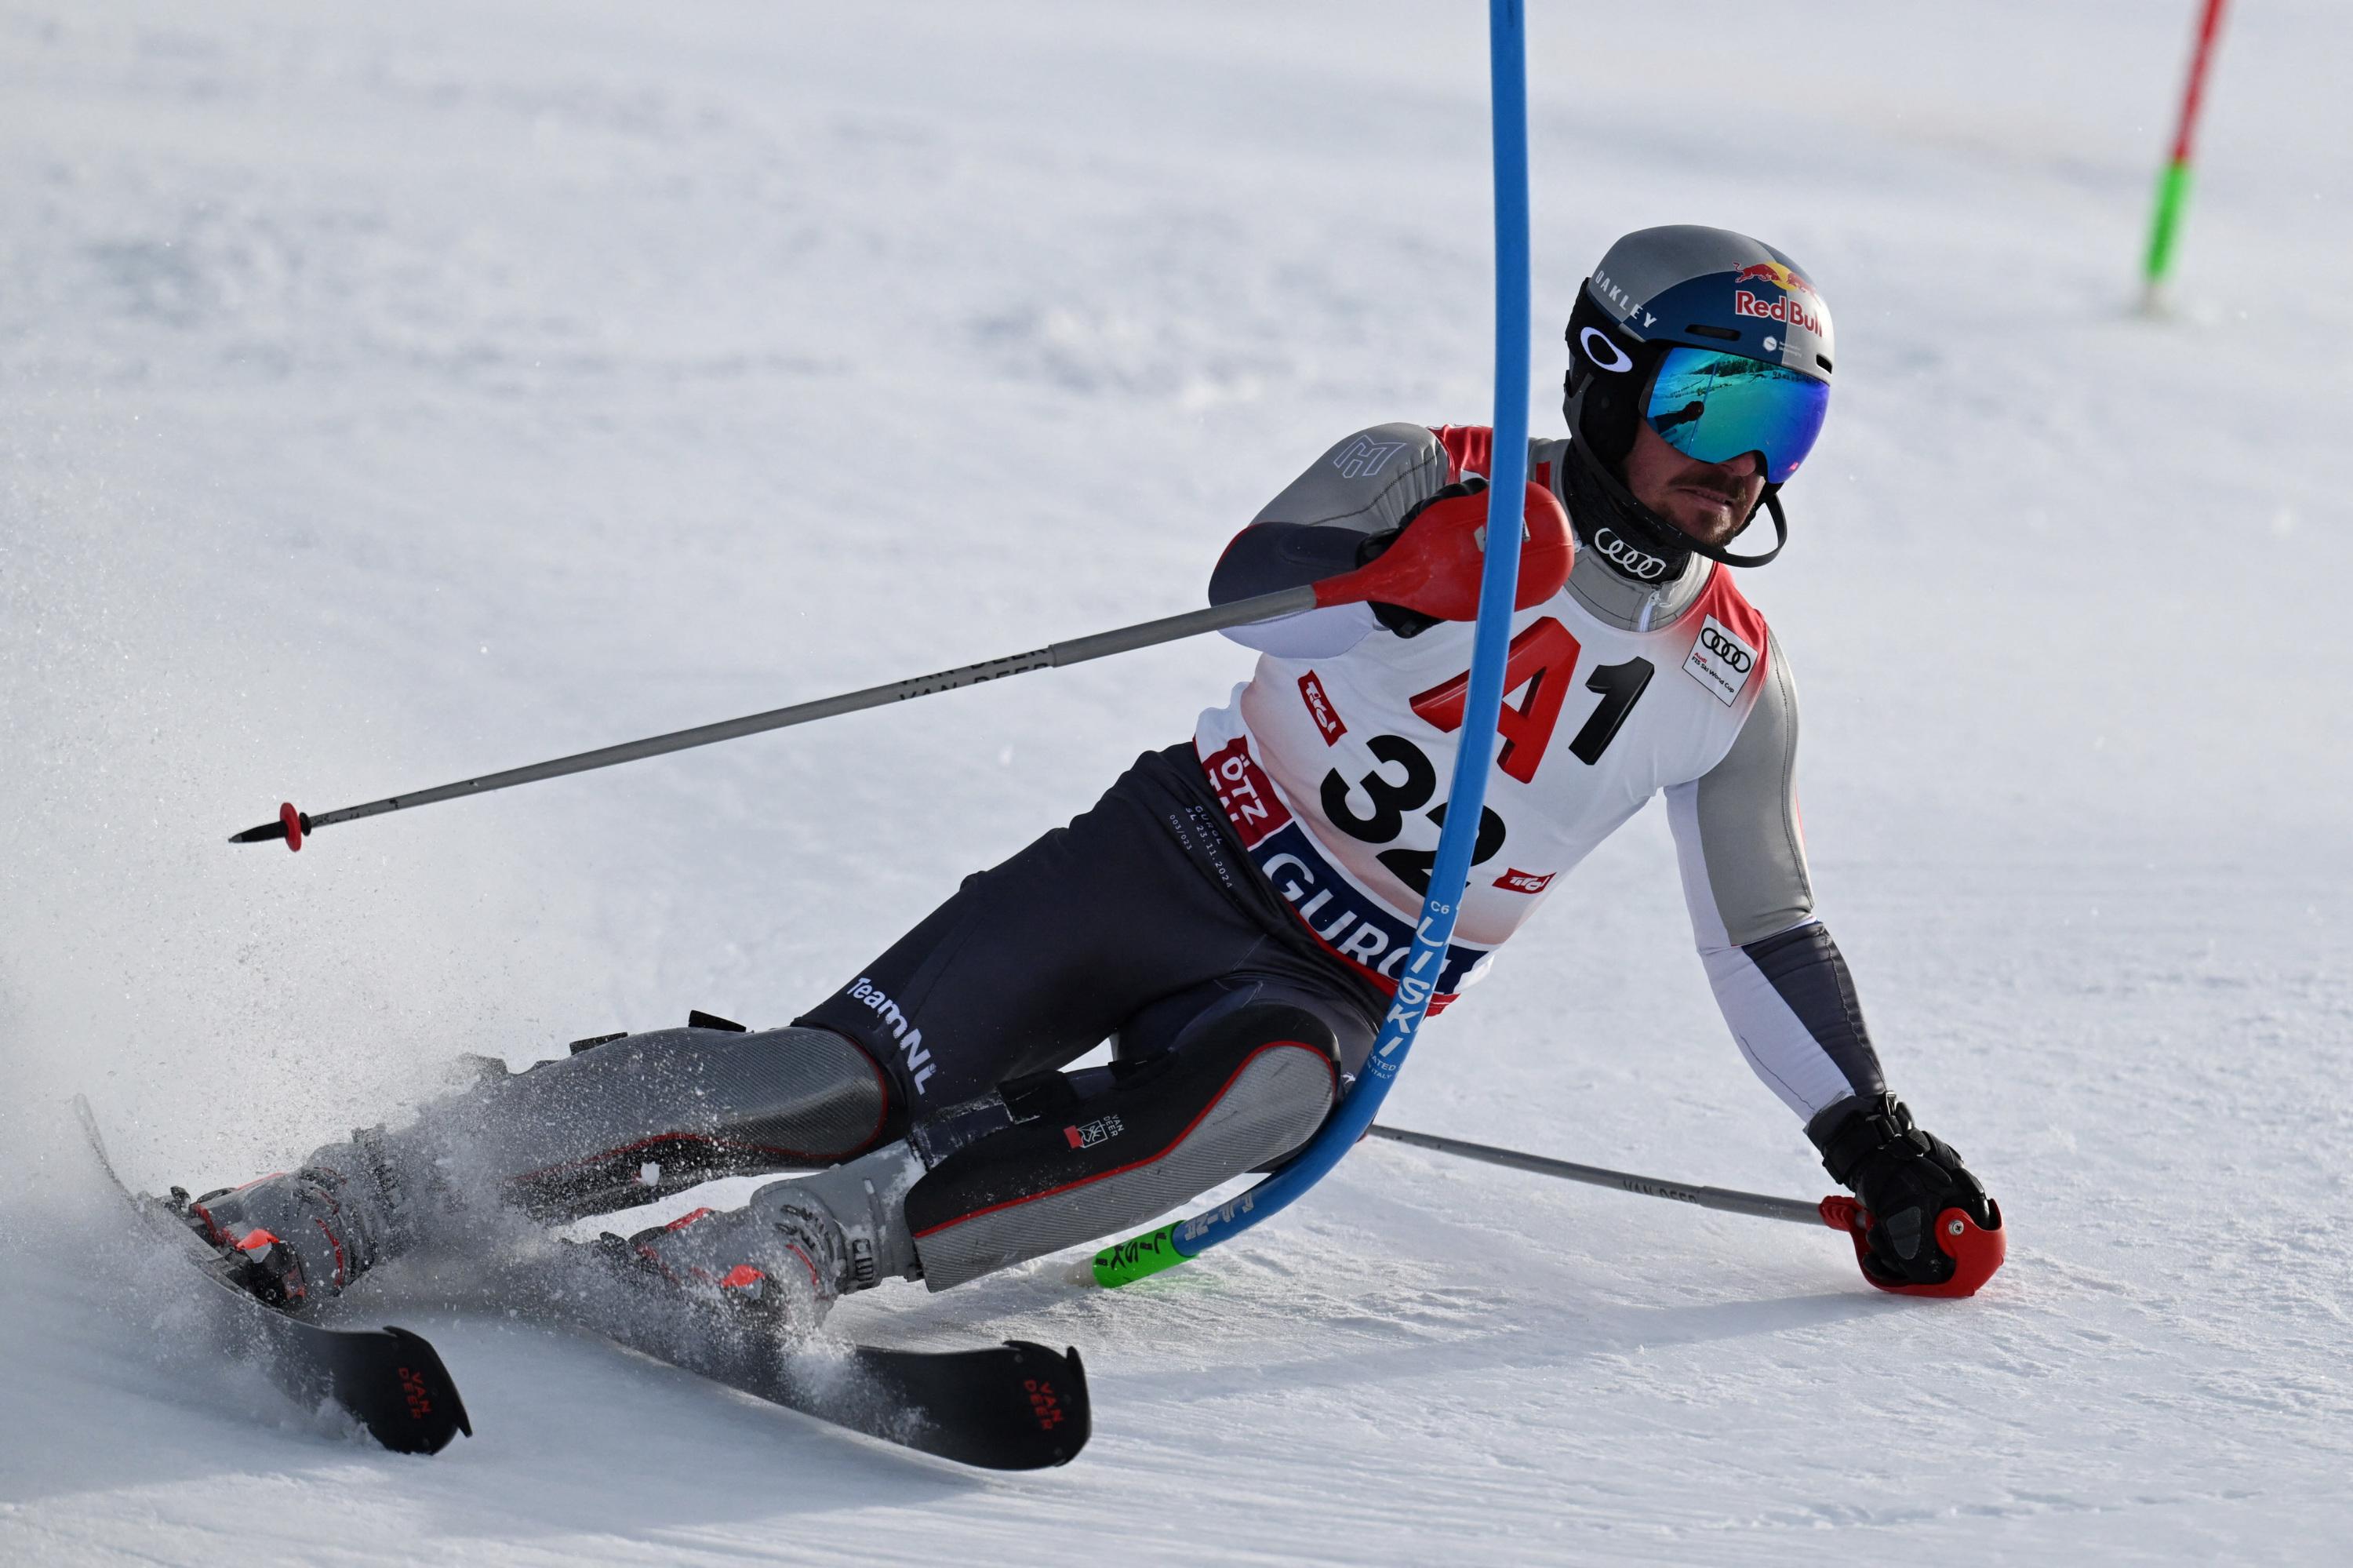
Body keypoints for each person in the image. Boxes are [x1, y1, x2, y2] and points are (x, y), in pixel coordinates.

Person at [182, 225, 2001, 1328]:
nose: (1738, 470)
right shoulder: (1435, 473)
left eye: (1784, 429)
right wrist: (1408, 570)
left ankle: (789, 1257)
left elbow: (1765, 926)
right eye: (1713, 411)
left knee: (1270, 1093)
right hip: (1172, 858)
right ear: (1609, 384)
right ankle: (365, 1185)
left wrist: (1874, 1136)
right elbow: (1246, 593)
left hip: (1338, 982)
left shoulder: (1732, 683)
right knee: (830, 1078)